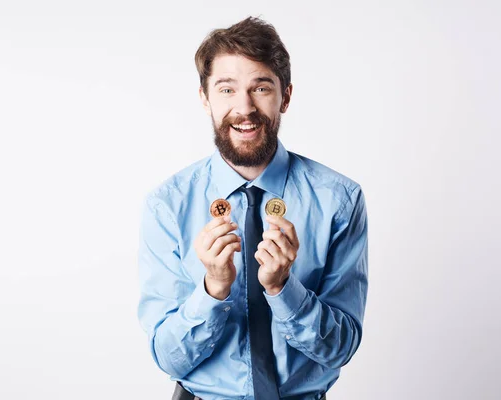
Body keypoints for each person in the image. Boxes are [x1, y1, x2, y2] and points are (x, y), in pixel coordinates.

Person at [137, 16, 368, 400]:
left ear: (286, 96)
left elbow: (341, 348)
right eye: (226, 89)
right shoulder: (167, 205)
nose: (244, 108)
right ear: (205, 98)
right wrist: (213, 289)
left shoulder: (340, 200)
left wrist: (282, 288)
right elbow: (169, 358)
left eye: (260, 87)